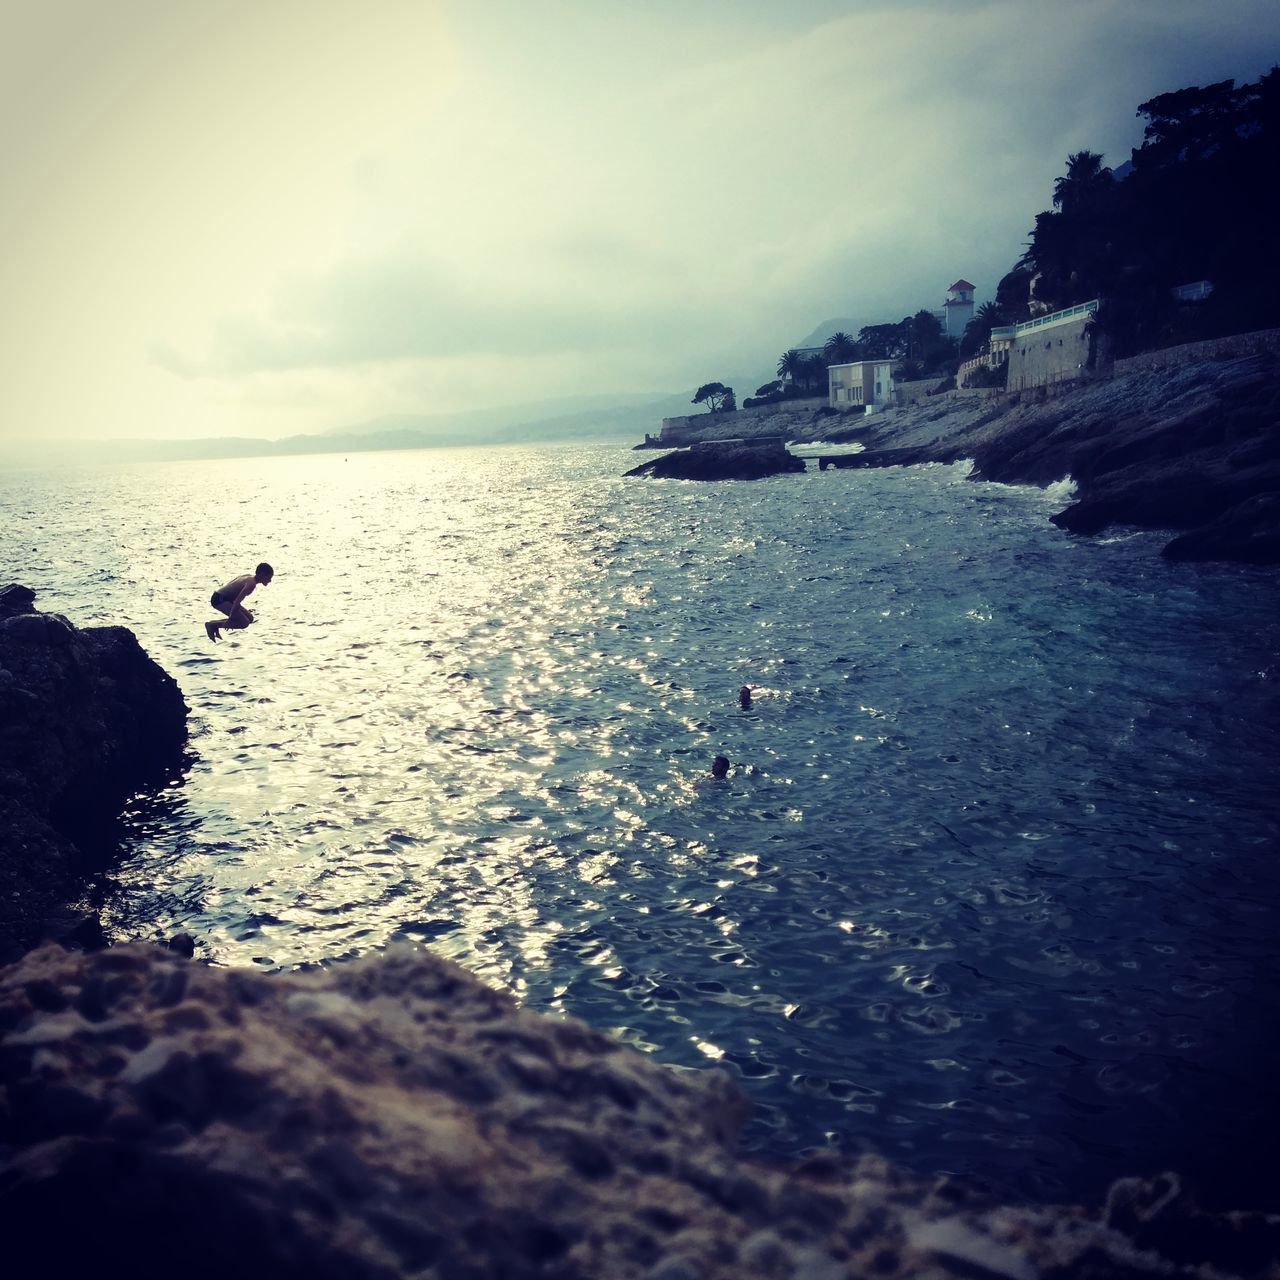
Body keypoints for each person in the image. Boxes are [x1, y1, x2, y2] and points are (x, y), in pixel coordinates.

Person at [205, 562, 273, 642]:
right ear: (262, 574)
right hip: (219, 599)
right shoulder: (251, 584)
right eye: (269, 577)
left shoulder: (248, 577)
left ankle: (215, 625)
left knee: (250, 618)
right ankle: (211, 625)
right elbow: (237, 601)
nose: (270, 580)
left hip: (224, 598)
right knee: (243, 623)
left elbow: (235, 596)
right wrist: (231, 618)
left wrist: (238, 613)